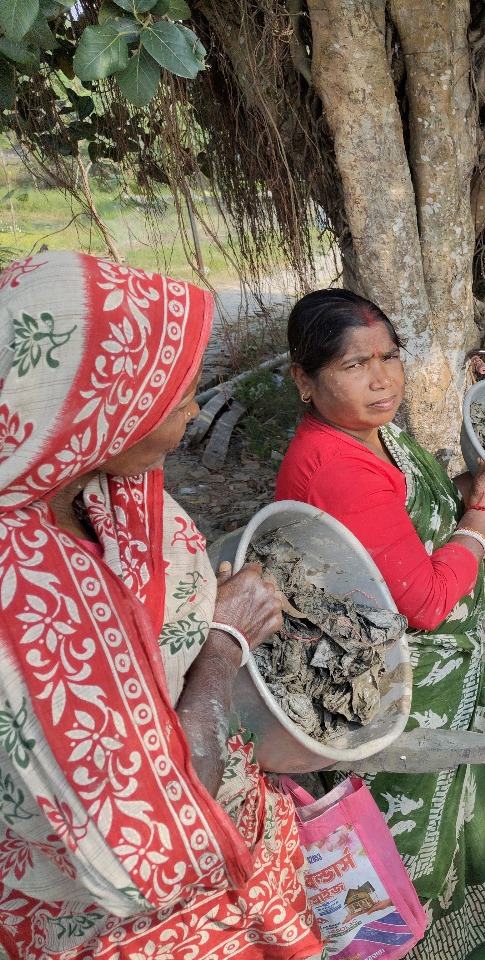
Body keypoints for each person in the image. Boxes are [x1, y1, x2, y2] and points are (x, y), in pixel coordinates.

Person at [0, 251, 322, 959]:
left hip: (232, 831)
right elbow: (145, 816)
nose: (195, 410)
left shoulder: (95, 486)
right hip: (129, 918)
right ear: (93, 407)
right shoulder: (20, 603)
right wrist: (221, 646)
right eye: (171, 396)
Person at [275, 289, 485, 960]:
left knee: (456, 816)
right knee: (412, 829)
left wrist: (463, 496)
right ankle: (415, 944)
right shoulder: (338, 465)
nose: (382, 379)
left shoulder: (367, 431)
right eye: (356, 365)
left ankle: (463, 927)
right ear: (304, 379)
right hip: (397, 687)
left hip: (439, 674)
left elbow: (408, 528)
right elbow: (428, 602)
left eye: (389, 358)